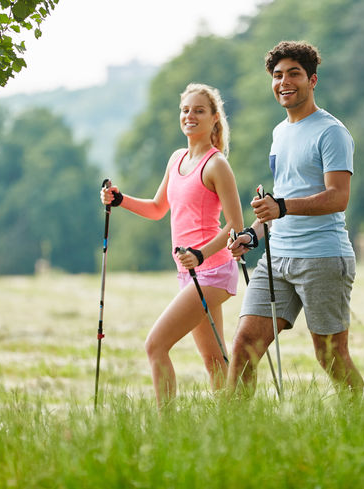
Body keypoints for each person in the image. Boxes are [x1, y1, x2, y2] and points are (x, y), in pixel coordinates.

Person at [228, 41, 364, 397]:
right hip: (277, 258)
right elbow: (279, 200)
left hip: (322, 257)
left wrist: (284, 206)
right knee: (244, 345)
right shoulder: (279, 133)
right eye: (277, 75)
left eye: (294, 74)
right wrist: (252, 235)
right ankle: (231, 435)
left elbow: (338, 196)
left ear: (312, 80)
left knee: (331, 357)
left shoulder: (331, 131)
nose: (284, 82)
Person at [100, 83, 244, 407]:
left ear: (214, 119)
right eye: (185, 110)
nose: (190, 116)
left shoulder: (216, 164)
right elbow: (156, 208)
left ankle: (167, 429)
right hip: (189, 273)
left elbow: (236, 223)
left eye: (199, 110)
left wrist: (200, 253)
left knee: (155, 345)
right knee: (214, 361)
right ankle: (234, 423)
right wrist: (120, 200)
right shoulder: (177, 159)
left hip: (214, 270)